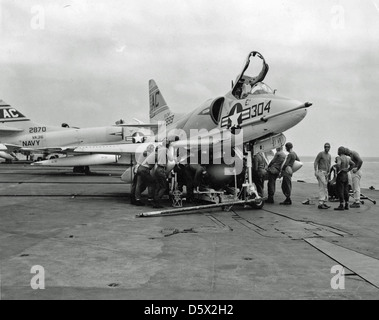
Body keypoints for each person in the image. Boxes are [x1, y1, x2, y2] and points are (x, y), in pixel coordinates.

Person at [314, 143, 332, 209]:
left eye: (328, 147)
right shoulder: (321, 154)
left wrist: (329, 173)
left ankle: (324, 202)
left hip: (326, 173)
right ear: (324, 147)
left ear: (330, 148)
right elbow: (316, 162)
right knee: (321, 187)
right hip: (320, 172)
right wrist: (315, 171)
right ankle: (320, 203)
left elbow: (329, 164)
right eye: (326, 147)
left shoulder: (329, 156)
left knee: (325, 188)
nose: (327, 148)